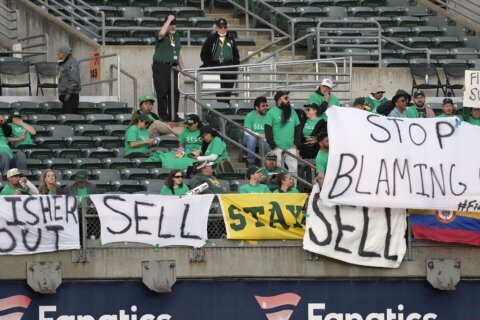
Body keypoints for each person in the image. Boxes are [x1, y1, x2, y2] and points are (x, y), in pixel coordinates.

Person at [200, 18, 240, 103]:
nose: (223, 29)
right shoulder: (211, 38)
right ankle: (221, 108)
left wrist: (236, 66)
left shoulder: (231, 38)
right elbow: (204, 52)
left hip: (229, 67)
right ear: (217, 28)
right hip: (216, 67)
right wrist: (208, 64)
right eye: (220, 27)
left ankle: (226, 107)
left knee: (227, 92)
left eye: (224, 27)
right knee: (219, 92)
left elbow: (236, 53)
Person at [152, 15, 184, 122]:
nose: (173, 26)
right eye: (171, 24)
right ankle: (163, 116)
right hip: (161, 66)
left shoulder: (177, 35)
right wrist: (168, 20)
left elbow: (177, 53)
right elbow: (161, 34)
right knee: (162, 92)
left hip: (173, 66)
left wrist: (182, 68)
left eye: (174, 24)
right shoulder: (160, 33)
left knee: (175, 92)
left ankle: (173, 116)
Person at [265, 90, 301, 178]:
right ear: (279, 101)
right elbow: (267, 129)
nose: (288, 100)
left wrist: (296, 144)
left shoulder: (293, 112)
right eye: (285, 98)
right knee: (278, 173)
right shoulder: (271, 112)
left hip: (291, 147)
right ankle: (279, 190)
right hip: (277, 148)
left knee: (293, 171)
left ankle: (293, 191)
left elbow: (298, 128)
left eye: (288, 98)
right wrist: (273, 145)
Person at [243, 96, 268, 166]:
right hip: (250, 137)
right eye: (263, 106)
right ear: (257, 107)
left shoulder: (269, 115)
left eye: (266, 105)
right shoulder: (250, 115)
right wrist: (258, 135)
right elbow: (246, 131)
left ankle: (265, 162)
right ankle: (251, 162)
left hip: (264, 137)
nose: (265, 107)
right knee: (251, 138)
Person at [58, 45, 80, 114]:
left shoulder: (71, 62)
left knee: (70, 117)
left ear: (64, 54)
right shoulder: (65, 62)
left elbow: (75, 79)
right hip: (66, 95)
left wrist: (69, 92)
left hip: (71, 95)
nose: (58, 54)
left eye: (59, 52)